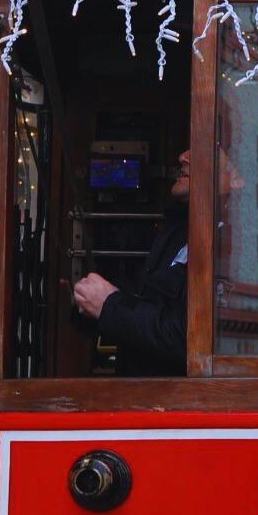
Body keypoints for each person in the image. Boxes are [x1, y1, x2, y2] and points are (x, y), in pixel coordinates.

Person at [73, 147, 188, 376]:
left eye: (206, 144)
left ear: (236, 178)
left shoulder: (230, 250)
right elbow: (146, 308)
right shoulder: (178, 231)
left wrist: (108, 305)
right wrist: (90, 305)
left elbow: (188, 340)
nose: (183, 156)